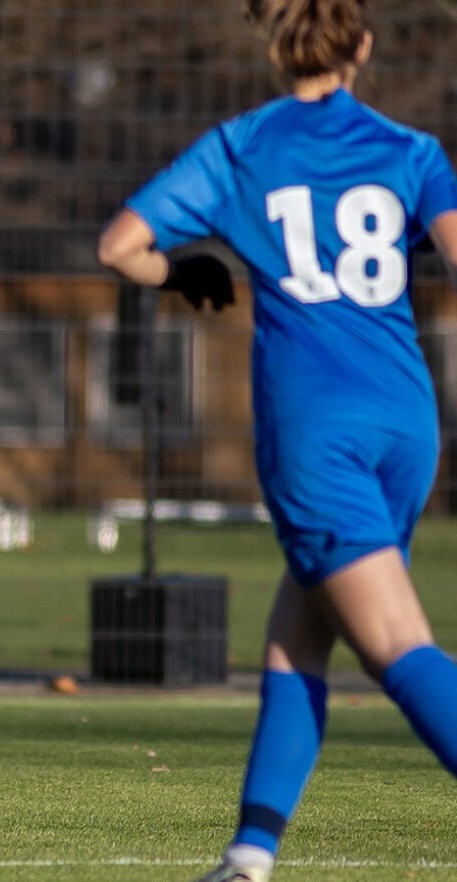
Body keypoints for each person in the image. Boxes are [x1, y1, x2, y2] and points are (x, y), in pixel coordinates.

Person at [98, 2, 457, 880]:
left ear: (274, 45)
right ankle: (249, 856)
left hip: (315, 431)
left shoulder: (243, 149)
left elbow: (120, 247)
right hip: (406, 425)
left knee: (394, 642)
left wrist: (184, 270)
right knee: (300, 633)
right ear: (362, 47)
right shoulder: (414, 153)